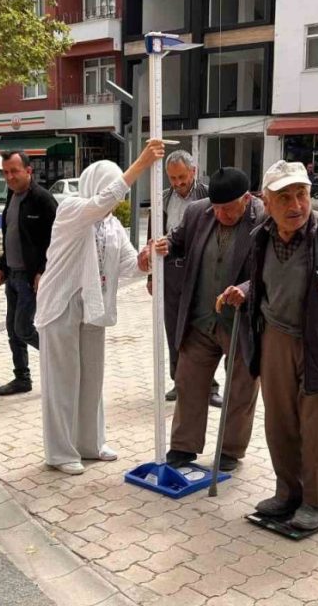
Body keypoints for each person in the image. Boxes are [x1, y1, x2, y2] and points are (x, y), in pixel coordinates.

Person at [238, 160, 318, 531]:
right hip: (275, 338)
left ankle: (316, 500)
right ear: (266, 202)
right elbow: (261, 285)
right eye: (284, 198)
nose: (295, 205)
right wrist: (243, 294)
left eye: (301, 195)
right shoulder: (260, 235)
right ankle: (287, 492)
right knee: (279, 423)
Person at [36, 140, 165, 474]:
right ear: (95, 185)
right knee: (63, 381)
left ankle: (90, 443)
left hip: (93, 305)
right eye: (110, 189)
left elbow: (128, 266)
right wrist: (140, 163)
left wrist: (147, 258)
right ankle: (61, 453)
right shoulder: (73, 209)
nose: (114, 199)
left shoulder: (110, 225)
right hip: (62, 303)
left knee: (92, 377)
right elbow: (103, 200)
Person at [142, 168, 265, 472]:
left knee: (240, 389)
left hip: (241, 323)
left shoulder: (262, 218)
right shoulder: (199, 212)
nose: (220, 214)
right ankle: (184, 446)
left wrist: (247, 289)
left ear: (246, 199)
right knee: (189, 383)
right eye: (216, 208)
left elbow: (271, 269)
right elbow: (176, 240)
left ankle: (230, 450)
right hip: (200, 320)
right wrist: (159, 247)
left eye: (228, 208)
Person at [145, 150, 222, 407]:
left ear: (193, 171)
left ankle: (209, 386)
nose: (177, 183)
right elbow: (153, 239)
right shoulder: (163, 200)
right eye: (172, 178)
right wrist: (152, 276)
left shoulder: (209, 196)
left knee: (203, 327)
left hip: (202, 271)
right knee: (174, 328)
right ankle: (179, 382)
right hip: (172, 272)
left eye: (181, 177)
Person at [0, 151, 58, 396]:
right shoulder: (11, 197)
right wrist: (2, 265)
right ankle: (22, 378)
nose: (9, 177)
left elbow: (55, 240)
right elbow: (11, 235)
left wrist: (43, 271)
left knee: (23, 328)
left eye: (14, 171)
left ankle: (60, 359)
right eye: (6, 172)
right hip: (12, 276)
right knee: (12, 329)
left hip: (33, 279)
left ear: (29, 171)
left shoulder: (43, 200)